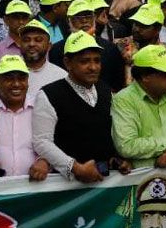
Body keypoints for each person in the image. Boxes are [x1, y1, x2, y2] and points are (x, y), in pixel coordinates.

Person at [32, 32, 127, 183]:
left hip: (104, 181)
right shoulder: (49, 94)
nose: (93, 67)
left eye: (97, 61)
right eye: (85, 61)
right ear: (67, 63)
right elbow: (42, 141)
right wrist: (76, 168)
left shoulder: (105, 90)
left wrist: (115, 159)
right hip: (67, 187)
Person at [0, 55, 47, 179]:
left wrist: (45, 161)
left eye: (22, 78)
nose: (16, 84)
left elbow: (51, 141)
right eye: (9, 79)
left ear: (28, 81)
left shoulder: (41, 107)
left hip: (34, 187)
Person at [0, 20, 67, 97]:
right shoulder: (1, 70)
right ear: (20, 43)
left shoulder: (61, 76)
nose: (31, 44)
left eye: (38, 40)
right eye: (26, 40)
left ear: (49, 46)